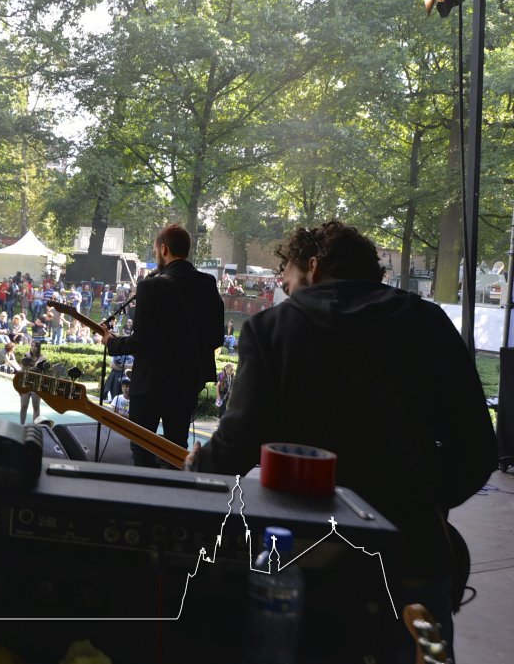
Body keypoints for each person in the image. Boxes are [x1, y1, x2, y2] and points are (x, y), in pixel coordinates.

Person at [187, 220, 497, 659]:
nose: (287, 290)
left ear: (313, 266)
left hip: (308, 559)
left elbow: (237, 444)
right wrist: (420, 497)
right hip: (414, 555)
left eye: (288, 279)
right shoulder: (428, 321)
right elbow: (478, 449)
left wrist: (197, 470)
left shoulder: (273, 328)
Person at [103, 223, 224, 468]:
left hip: (151, 383)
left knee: (142, 448)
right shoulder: (207, 283)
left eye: (156, 250)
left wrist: (112, 343)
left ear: (164, 249)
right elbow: (216, 338)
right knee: (176, 449)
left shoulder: (151, 286)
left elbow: (142, 341)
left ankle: (146, 493)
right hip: (187, 383)